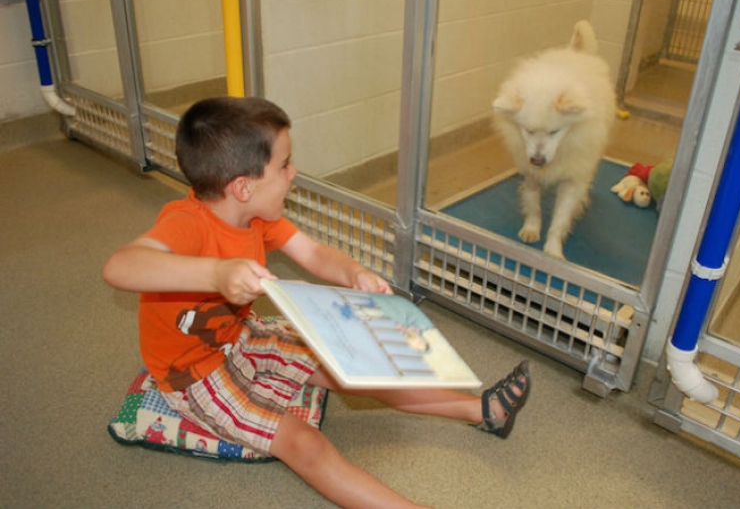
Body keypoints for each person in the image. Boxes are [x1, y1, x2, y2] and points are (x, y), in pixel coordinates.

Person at [102, 96, 531, 509]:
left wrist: (354, 274)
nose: (293, 173)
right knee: (304, 444)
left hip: (241, 337)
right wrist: (215, 273)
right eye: (284, 165)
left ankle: (484, 410)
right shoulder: (186, 223)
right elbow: (120, 266)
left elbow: (313, 253)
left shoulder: (256, 217)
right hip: (193, 374)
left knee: (356, 363)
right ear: (243, 187)